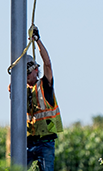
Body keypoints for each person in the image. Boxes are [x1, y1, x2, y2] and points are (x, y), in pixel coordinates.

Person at [26, 31, 62, 171]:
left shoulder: (45, 85)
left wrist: (37, 41)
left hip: (46, 142)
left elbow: (47, 64)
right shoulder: (21, 91)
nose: (28, 76)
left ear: (36, 70)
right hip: (28, 142)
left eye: (29, 72)